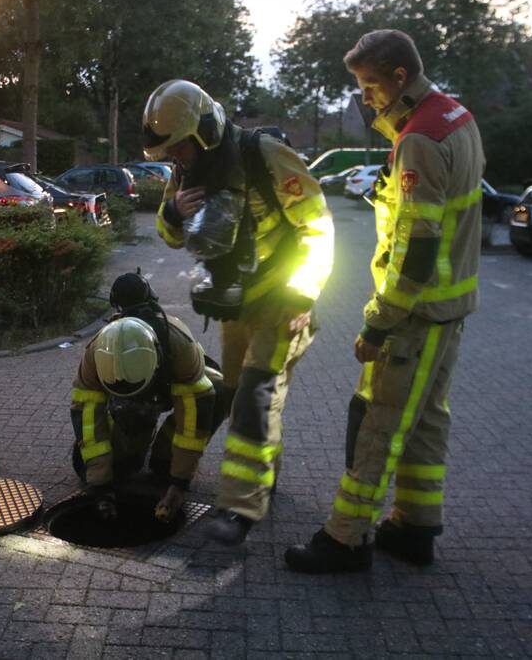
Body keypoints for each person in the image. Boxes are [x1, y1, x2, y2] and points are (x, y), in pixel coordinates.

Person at [285, 29, 485, 573]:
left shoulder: (419, 139)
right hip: (450, 309)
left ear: (400, 77)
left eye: (371, 86)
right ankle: (415, 527)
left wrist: (378, 322)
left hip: (414, 317)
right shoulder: (456, 119)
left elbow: (416, 250)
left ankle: (346, 539)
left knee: (378, 423)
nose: (366, 98)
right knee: (425, 422)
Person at [142, 80, 334, 545]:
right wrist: (172, 212)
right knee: (238, 392)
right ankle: (263, 479)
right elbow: (172, 237)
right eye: (169, 151)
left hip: (284, 303)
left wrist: (303, 296)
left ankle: (239, 506)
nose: (177, 158)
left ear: (204, 129)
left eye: (180, 147)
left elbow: (318, 224)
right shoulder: (187, 173)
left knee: (255, 394)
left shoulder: (263, 154)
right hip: (236, 304)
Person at [69, 272, 229, 522]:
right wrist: (100, 485)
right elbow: (88, 419)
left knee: (219, 391)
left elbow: (192, 422)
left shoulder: (179, 346)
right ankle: (137, 442)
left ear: (155, 360)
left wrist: (179, 483)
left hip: (176, 387)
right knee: (120, 469)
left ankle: (165, 457)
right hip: (132, 408)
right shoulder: (95, 353)